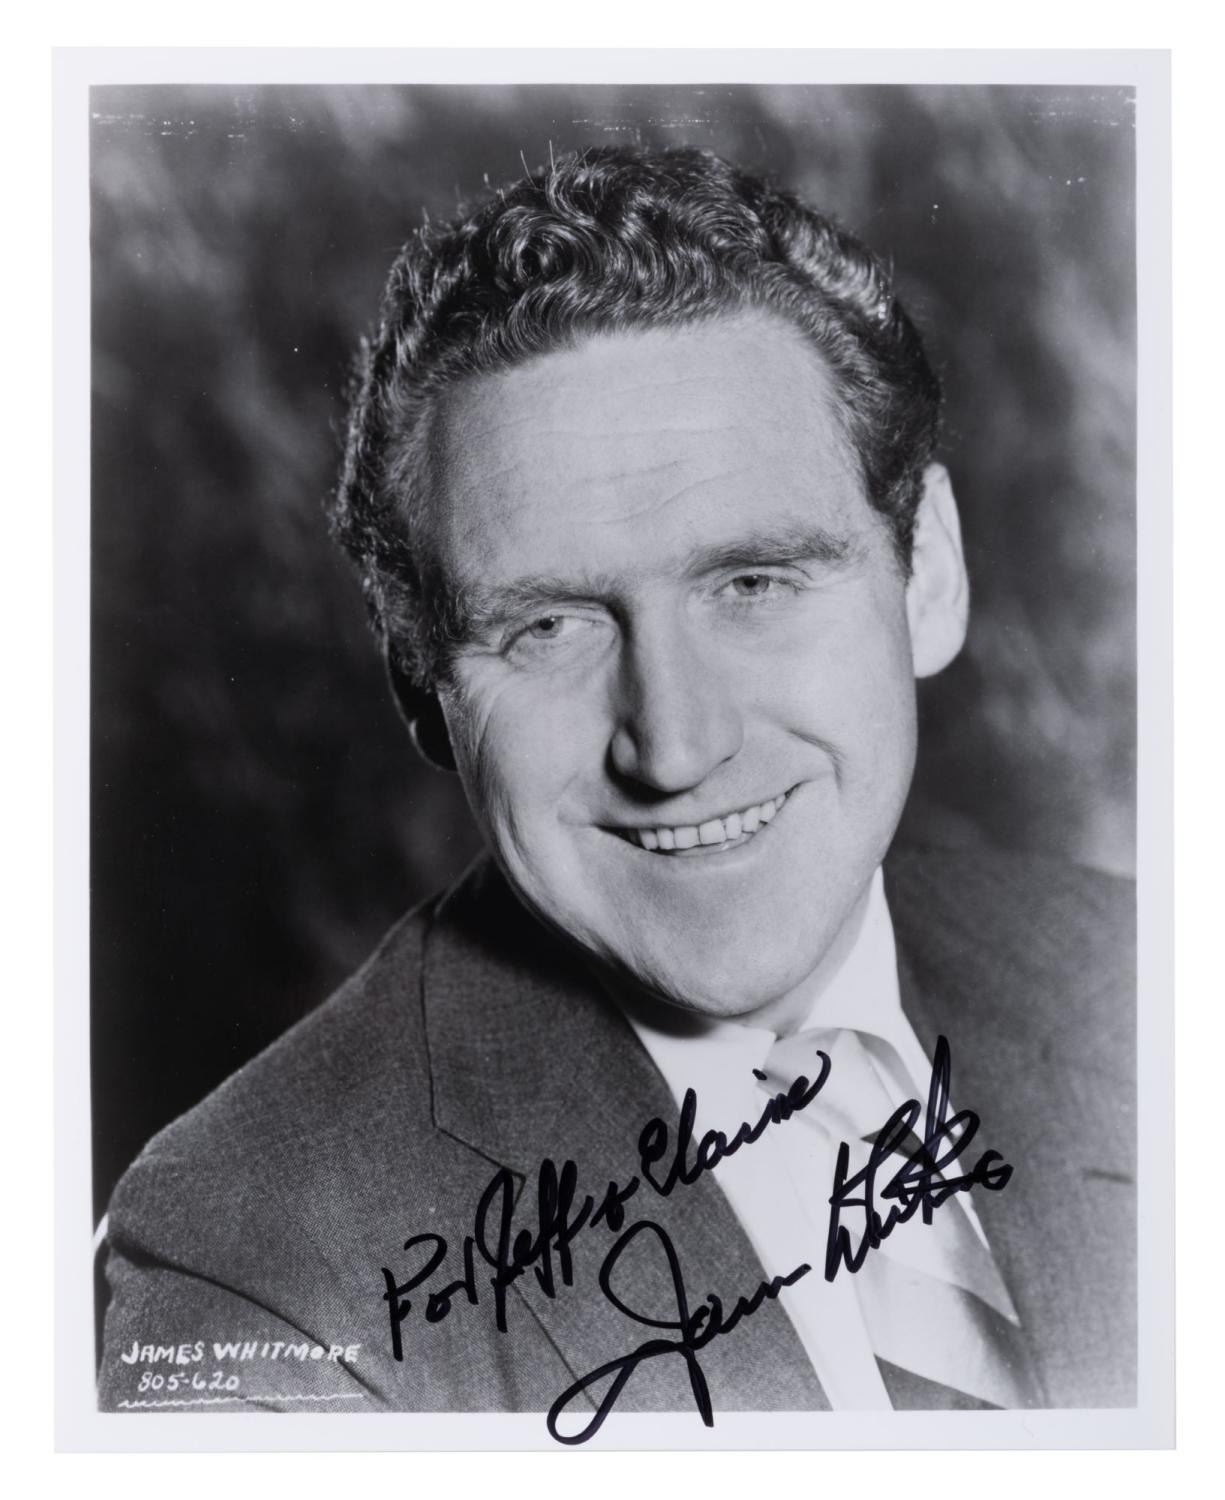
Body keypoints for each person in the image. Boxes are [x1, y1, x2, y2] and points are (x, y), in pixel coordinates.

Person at [97, 147, 1134, 1429]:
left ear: (927, 574)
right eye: (547, 628)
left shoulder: (1141, 983)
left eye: (753, 584)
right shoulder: (257, 1270)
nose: (675, 745)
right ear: (423, 687)